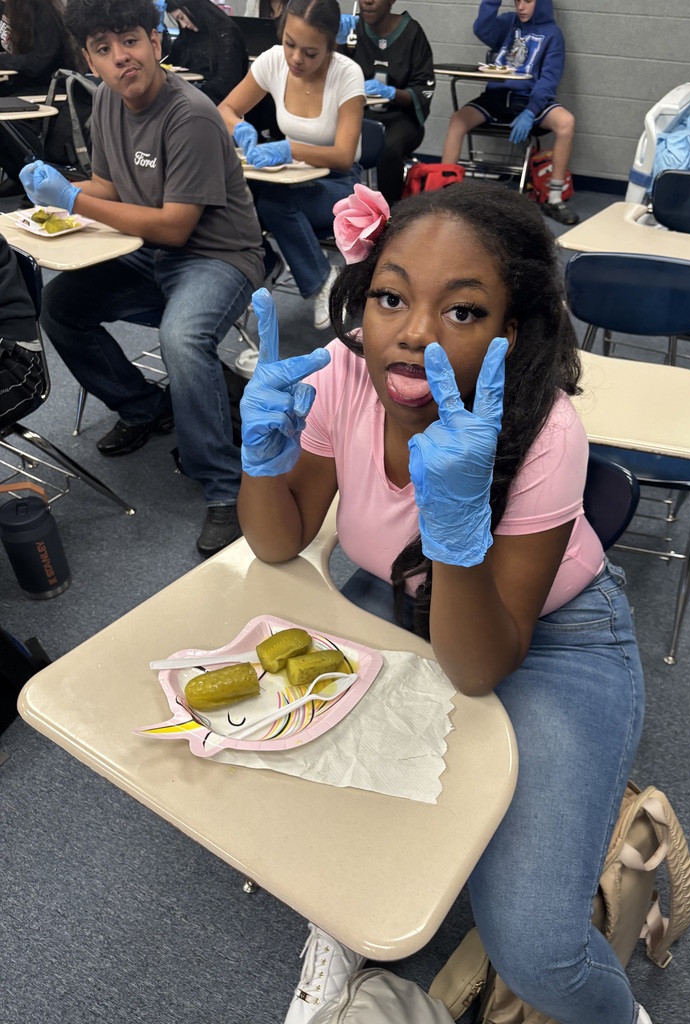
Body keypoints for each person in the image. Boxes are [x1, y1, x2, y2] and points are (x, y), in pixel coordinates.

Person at [236, 180, 648, 1024]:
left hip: (551, 636)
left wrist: (457, 531)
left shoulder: (546, 431)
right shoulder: (349, 373)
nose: (414, 333)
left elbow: (479, 664)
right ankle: (342, 925)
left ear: (512, 329)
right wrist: (260, 457)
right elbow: (279, 540)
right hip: (397, 597)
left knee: (538, 948)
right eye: (390, 298)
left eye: (461, 311)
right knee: (316, 796)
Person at [21, 0, 267, 557]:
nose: (120, 58)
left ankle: (225, 488)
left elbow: (178, 227)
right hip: (151, 251)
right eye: (103, 50)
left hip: (220, 256)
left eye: (129, 41)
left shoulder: (192, 114)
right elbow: (111, 187)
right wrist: (61, 190)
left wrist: (74, 199)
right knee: (60, 306)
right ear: (90, 60)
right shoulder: (107, 102)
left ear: (156, 42)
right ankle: (146, 408)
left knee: (181, 338)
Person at [219, 0, 365, 331]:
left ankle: (321, 281)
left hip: (340, 184)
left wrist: (290, 149)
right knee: (234, 197)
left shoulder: (347, 74)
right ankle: (265, 264)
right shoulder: (273, 61)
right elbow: (225, 109)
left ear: (331, 46)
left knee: (274, 203)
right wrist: (239, 128)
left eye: (311, 52)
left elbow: (343, 154)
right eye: (289, 44)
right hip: (289, 179)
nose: (297, 59)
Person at [441, 0, 578, 225]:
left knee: (566, 123)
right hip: (497, 98)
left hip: (529, 101)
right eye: (516, 1)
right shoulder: (508, 23)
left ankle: (554, 199)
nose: (520, 7)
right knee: (458, 120)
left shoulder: (553, 34)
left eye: (527, 1)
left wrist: (530, 111)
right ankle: (445, 191)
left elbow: (548, 80)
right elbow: (482, 29)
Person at [342, 0, 434, 205]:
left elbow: (423, 89)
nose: (368, 2)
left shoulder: (412, 32)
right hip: (359, 114)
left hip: (400, 118)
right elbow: (329, 76)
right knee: (329, 137)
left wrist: (393, 93)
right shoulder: (351, 31)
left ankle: (390, 213)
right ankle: (340, 209)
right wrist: (334, 42)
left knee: (387, 146)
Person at [0, 0, 84, 196]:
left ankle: (37, 171)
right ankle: (18, 174)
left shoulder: (44, 10)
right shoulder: (7, 9)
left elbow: (40, 62)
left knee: (5, 116)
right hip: (20, 84)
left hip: (50, 85)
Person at [168, 0, 249, 106]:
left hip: (219, 105)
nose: (183, 25)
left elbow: (227, 82)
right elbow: (170, 65)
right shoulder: (187, 36)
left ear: (194, 6)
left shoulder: (226, 33)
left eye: (182, 17)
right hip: (191, 101)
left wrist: (191, 92)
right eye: (178, 21)